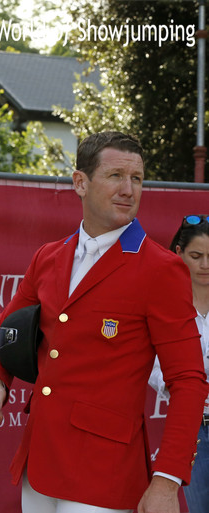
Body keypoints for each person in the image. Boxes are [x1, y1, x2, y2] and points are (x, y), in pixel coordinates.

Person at [0, 131, 209, 513]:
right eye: (115, 176)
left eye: (137, 179)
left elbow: (189, 381)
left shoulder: (161, 268)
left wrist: (166, 480)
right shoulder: (48, 257)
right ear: (80, 182)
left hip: (106, 475)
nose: (128, 189)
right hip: (40, 463)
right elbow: (5, 329)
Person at [149, 215, 209, 513]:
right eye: (196, 256)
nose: (205, 265)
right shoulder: (166, 305)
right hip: (192, 428)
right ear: (178, 254)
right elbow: (152, 363)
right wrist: (184, 389)